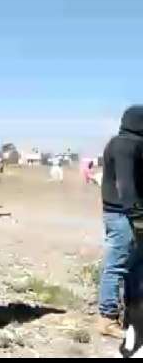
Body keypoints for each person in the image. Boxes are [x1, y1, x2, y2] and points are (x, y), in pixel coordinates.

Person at [96, 105, 143, 339]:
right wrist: (138, 216)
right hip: (123, 215)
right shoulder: (126, 145)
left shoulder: (124, 142)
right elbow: (126, 187)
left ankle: (133, 318)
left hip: (126, 214)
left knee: (135, 268)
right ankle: (107, 318)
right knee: (117, 265)